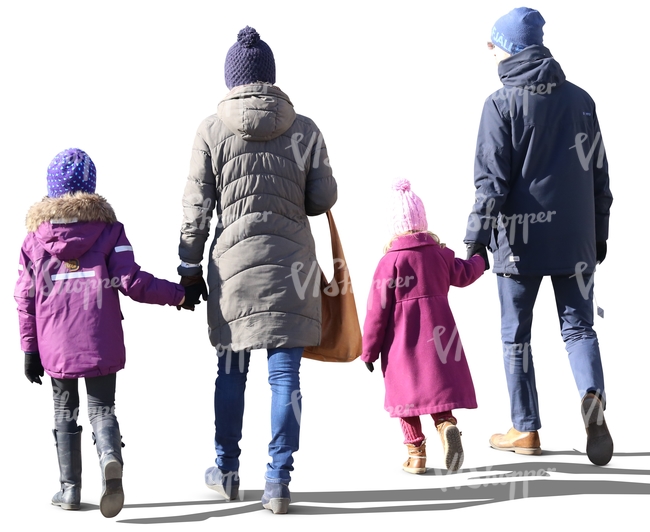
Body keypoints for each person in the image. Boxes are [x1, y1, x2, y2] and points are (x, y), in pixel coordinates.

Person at [176, 26, 337, 514]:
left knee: (231, 372)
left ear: (232, 80)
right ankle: (277, 481)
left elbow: (197, 207)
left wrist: (188, 263)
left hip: (234, 271)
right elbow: (322, 199)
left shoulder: (210, 129)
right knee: (285, 377)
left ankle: (226, 471)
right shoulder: (306, 128)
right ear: (271, 78)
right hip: (293, 269)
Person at [464, 7, 614, 465]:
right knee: (578, 327)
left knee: (517, 337)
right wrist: (599, 234)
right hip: (576, 241)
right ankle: (592, 398)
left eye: (494, 44)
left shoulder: (500, 103)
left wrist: (473, 239)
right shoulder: (581, 99)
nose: (490, 52)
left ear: (510, 47)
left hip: (518, 244)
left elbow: (491, 182)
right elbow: (598, 174)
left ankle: (525, 430)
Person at [15, 148, 192, 518]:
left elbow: (24, 298)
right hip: (100, 337)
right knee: (102, 408)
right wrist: (179, 294)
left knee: (65, 409)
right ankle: (110, 457)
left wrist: (29, 350)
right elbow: (132, 282)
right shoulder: (110, 231)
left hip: (55, 344)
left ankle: (69, 489)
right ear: (91, 188)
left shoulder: (34, 240)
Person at [361, 179, 487, 473]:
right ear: (423, 221)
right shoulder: (440, 255)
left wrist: (368, 351)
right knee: (437, 388)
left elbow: (376, 312)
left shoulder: (389, 262)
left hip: (400, 343)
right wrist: (480, 258)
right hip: (440, 338)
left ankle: (416, 455)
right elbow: (465, 274)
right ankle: (446, 425)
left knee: (404, 396)